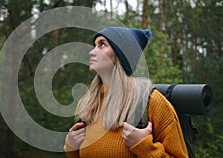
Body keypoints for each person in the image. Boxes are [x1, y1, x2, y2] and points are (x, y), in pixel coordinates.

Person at [63, 27, 188, 157]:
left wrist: (144, 146)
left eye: (102, 44)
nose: (92, 52)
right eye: (95, 45)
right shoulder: (86, 105)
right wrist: (72, 148)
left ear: (121, 54)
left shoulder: (150, 102)